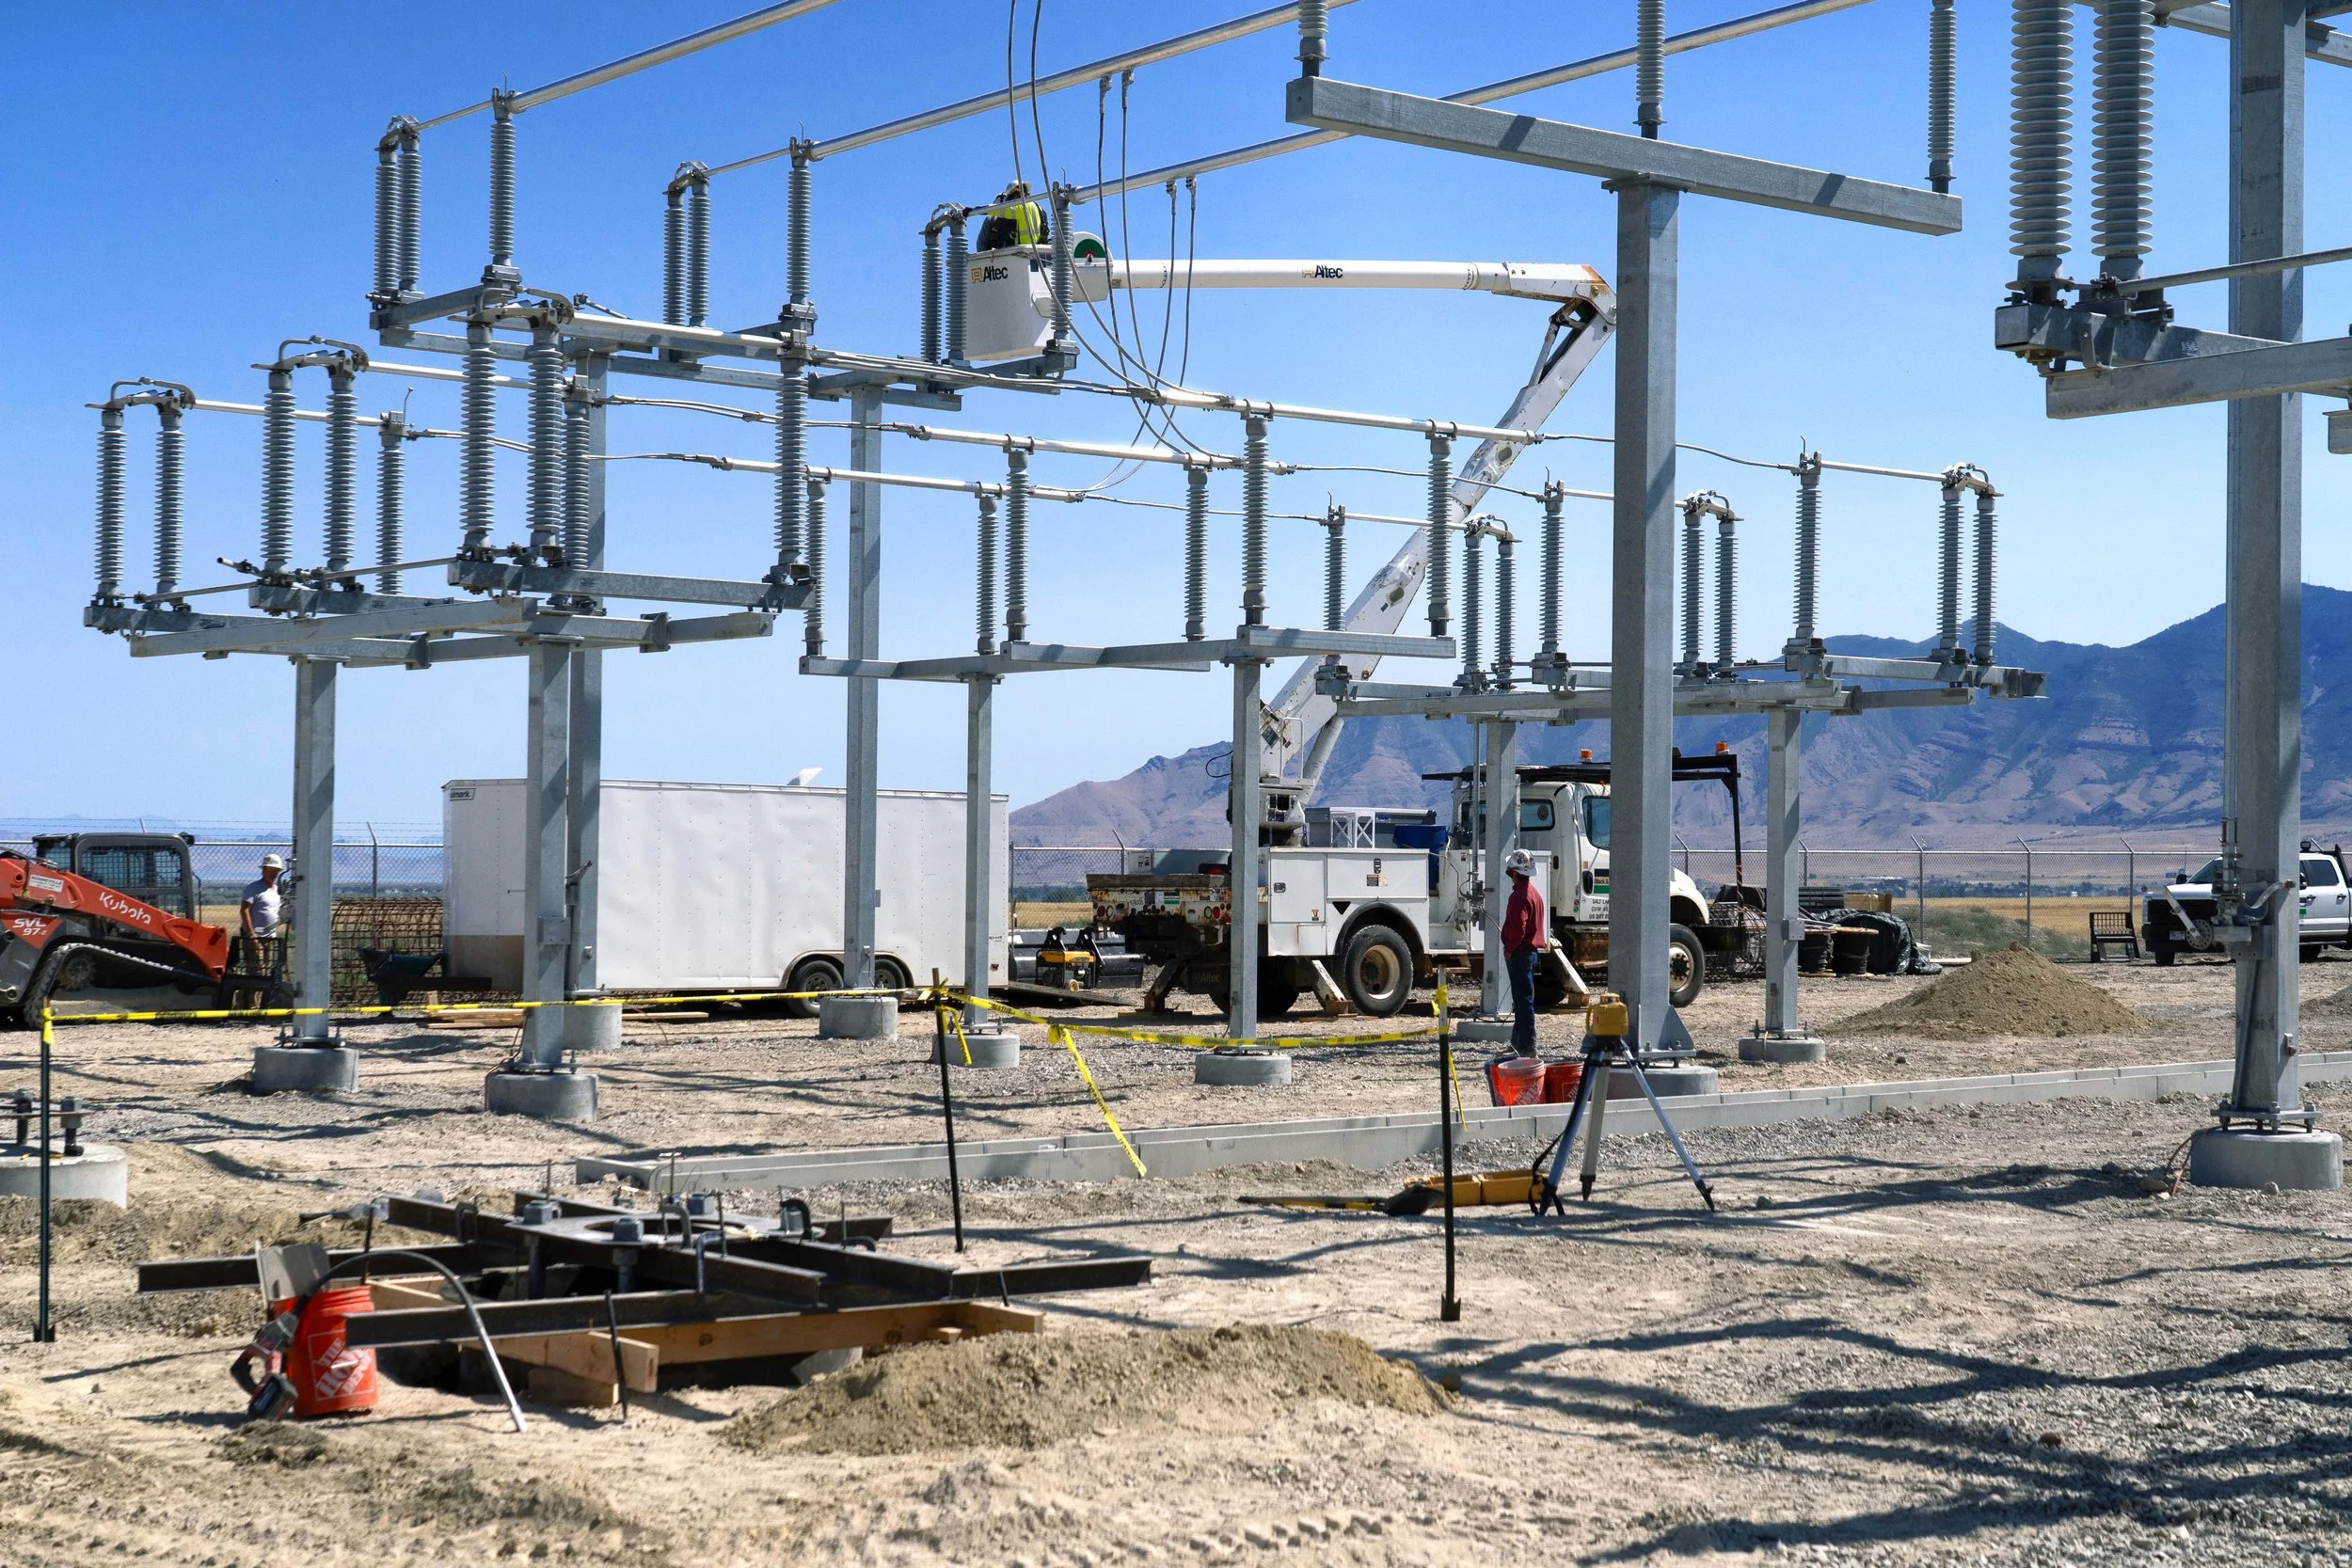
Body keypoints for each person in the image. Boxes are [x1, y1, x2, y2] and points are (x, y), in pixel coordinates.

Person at [1499, 847, 1549, 1053]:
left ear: (1516, 871)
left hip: (1520, 953)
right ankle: (1517, 1045)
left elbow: (1519, 927)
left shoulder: (1518, 896)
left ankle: (1527, 1047)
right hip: (1529, 953)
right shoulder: (1534, 894)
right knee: (1522, 1001)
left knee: (1523, 1002)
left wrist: (1510, 948)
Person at [239, 854, 284, 974]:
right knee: (257, 972)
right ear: (263, 870)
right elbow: (244, 910)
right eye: (271, 870)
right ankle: (249, 992)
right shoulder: (254, 888)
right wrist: (251, 934)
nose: (274, 874)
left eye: (276, 871)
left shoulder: (277, 891)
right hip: (254, 937)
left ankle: (247, 992)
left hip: (269, 938)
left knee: (267, 973)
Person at [975, 181, 1047, 252]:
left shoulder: (1021, 207)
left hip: (1020, 254)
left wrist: (976, 210)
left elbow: (999, 210)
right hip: (1038, 255)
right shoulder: (1039, 209)